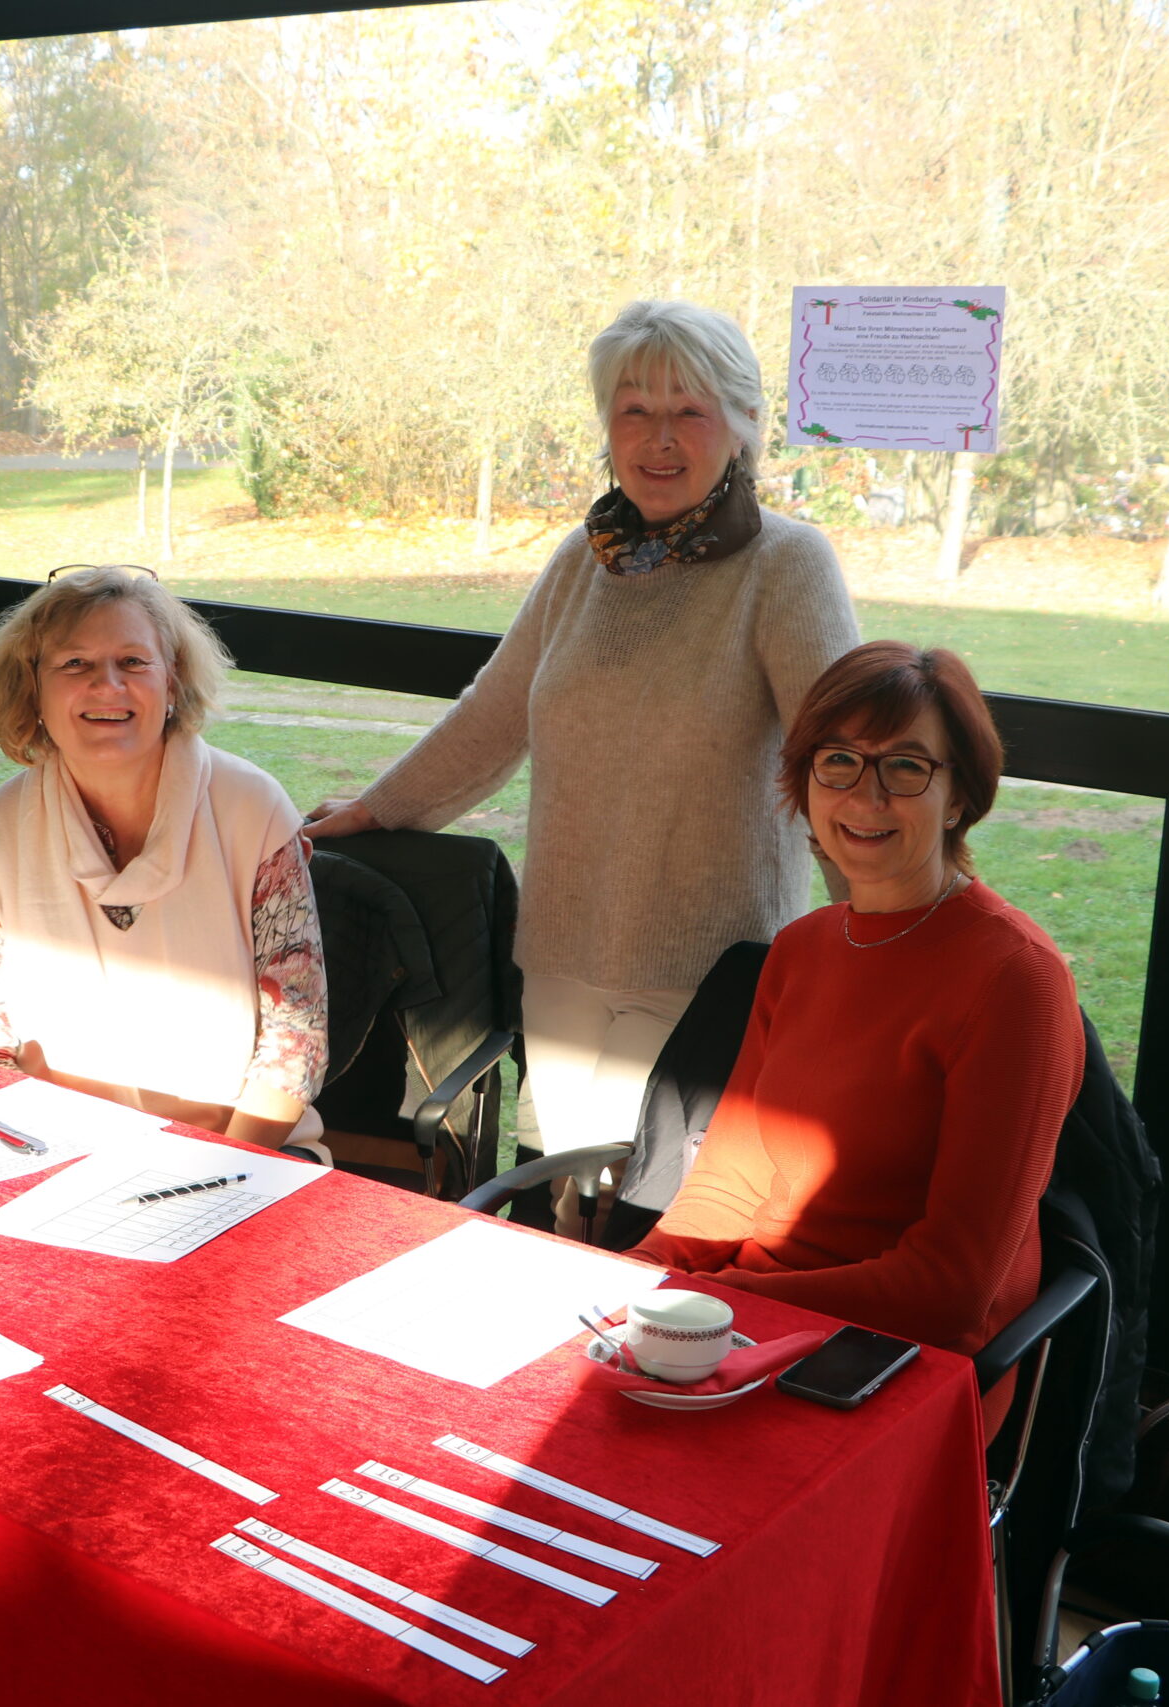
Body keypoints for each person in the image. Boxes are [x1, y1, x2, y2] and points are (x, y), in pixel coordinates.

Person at [307, 299, 858, 1213]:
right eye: (634, 409)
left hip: (706, 963)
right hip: (563, 953)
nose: (659, 438)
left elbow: (838, 759)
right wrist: (375, 808)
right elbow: (493, 717)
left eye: (689, 410)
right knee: (557, 1197)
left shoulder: (786, 565)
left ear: (744, 426)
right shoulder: (585, 560)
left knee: (646, 1210)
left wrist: (882, 930)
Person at [630, 642, 1084, 1429]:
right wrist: (635, 1277)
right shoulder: (801, 948)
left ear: (959, 796)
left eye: (906, 767)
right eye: (838, 760)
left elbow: (949, 1287)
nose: (865, 796)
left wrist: (721, 1300)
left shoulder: (1016, 978)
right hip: (747, 1321)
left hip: (897, 1364)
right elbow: (729, 1181)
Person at [0, 567, 327, 1151]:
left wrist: (218, 1165)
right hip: (48, 1145)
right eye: (75, 663)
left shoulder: (254, 810)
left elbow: (294, 1040)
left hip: (241, 1151)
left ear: (172, 682)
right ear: (33, 690)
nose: (107, 685)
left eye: (133, 662)